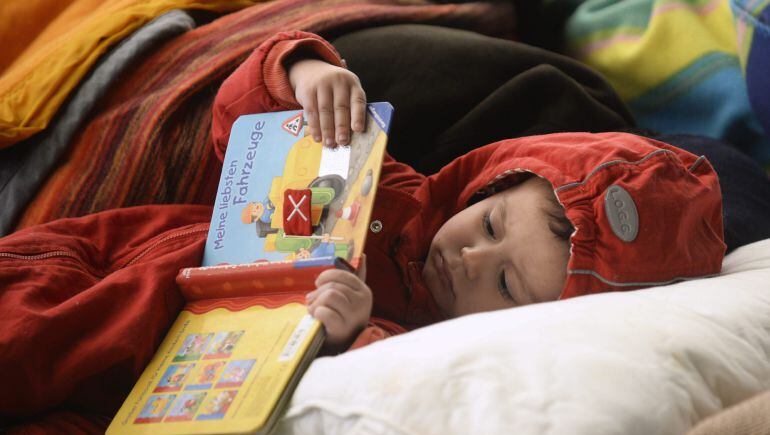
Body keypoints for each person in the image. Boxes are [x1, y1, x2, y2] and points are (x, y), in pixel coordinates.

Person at [211, 31, 726, 354]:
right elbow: (235, 129)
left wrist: (349, 335)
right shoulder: (384, 182)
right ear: (487, 188)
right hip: (149, 245)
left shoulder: (427, 343)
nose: (470, 258)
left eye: (506, 285)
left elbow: (392, 380)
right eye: (490, 225)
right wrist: (303, 72)